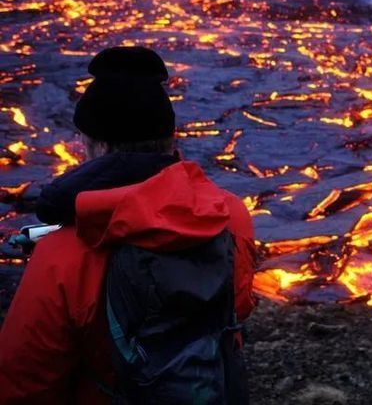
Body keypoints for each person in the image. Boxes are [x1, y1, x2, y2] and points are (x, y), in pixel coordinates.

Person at [0, 47, 257, 403]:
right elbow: (235, 311)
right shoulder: (229, 216)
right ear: (170, 139)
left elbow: (24, 385)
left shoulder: (62, 254)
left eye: (84, 142)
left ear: (100, 147)